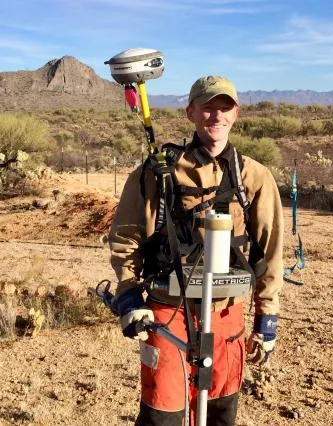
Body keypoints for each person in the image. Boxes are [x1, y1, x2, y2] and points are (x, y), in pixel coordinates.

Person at [109, 75, 284, 426]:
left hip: (226, 316)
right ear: (191, 112)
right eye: (207, 108)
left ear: (236, 114)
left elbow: (270, 252)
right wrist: (129, 296)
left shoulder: (254, 177)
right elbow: (126, 237)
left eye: (225, 108)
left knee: (221, 413)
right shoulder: (157, 172)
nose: (216, 116)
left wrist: (267, 318)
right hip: (167, 313)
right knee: (163, 414)